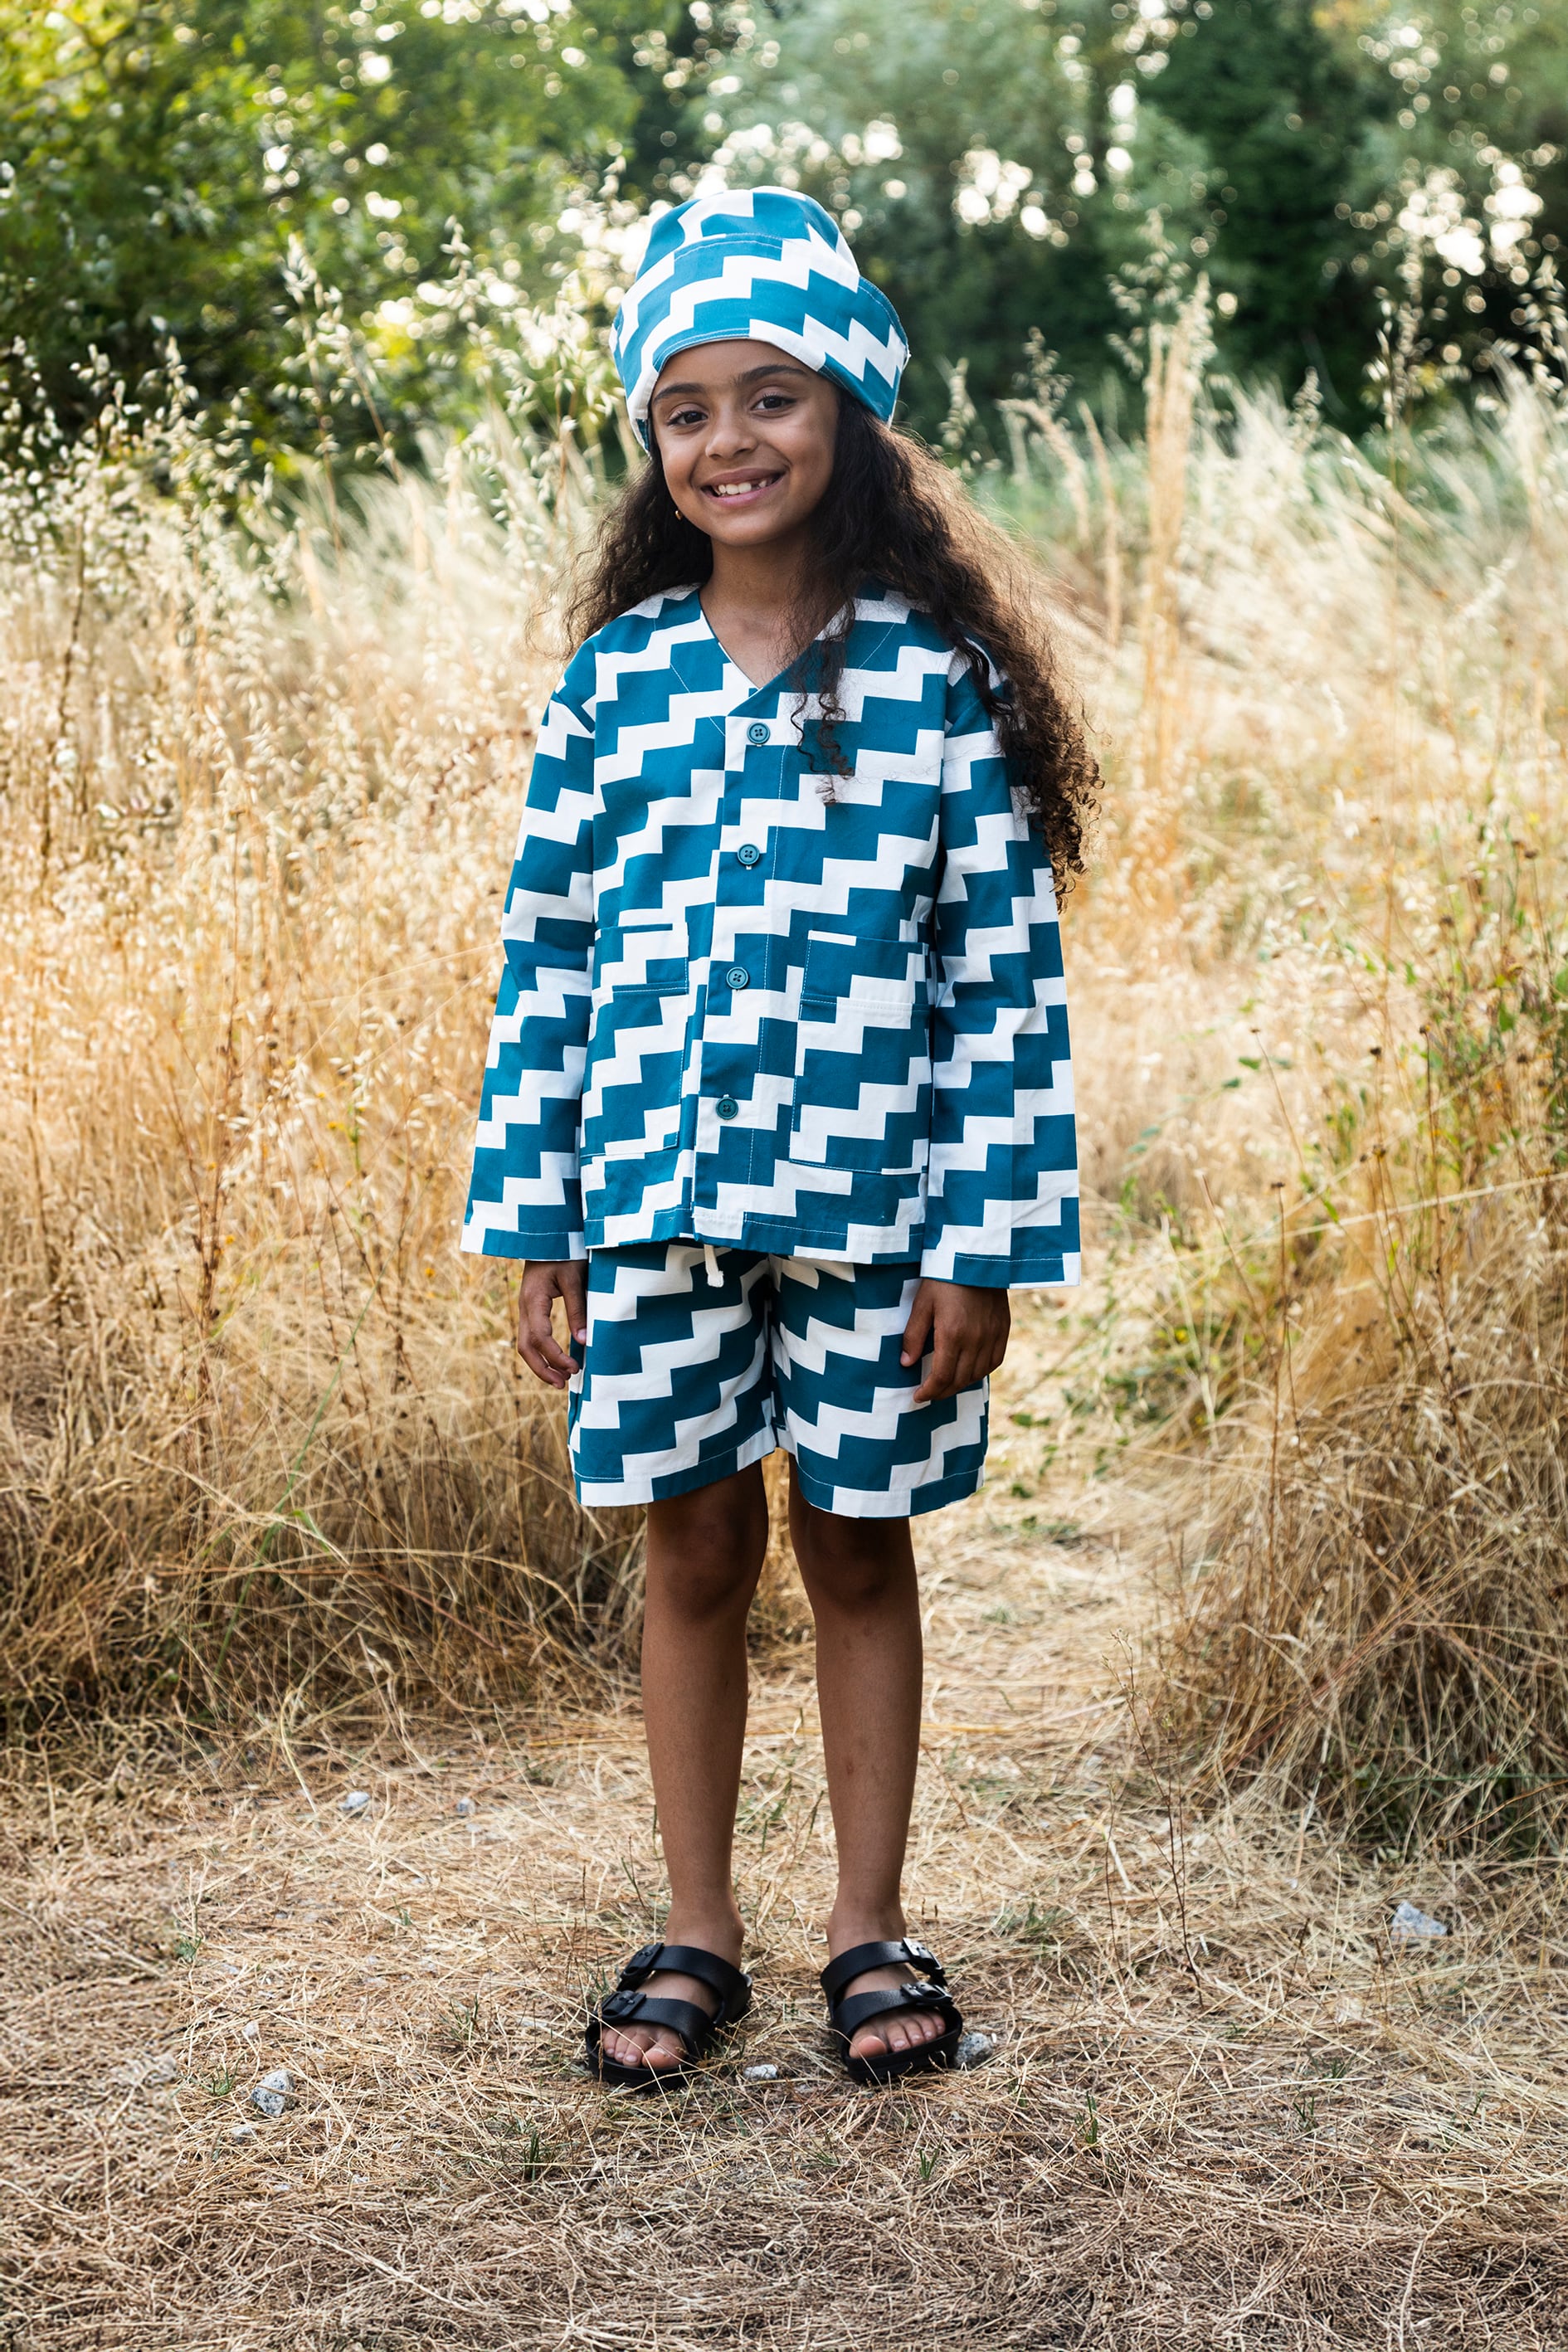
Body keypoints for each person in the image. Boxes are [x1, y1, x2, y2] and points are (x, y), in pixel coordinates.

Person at [462, 187, 1094, 2089]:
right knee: (695, 1540)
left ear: (850, 418)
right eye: (686, 409)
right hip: (651, 1197)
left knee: (858, 1541)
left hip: (879, 1207)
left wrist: (983, 1235)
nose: (728, 439)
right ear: (651, 443)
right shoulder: (618, 683)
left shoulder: (935, 679)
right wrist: (540, 1213)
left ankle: (866, 1919)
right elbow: (551, 956)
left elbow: (1001, 977)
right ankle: (699, 1925)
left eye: (771, 397)